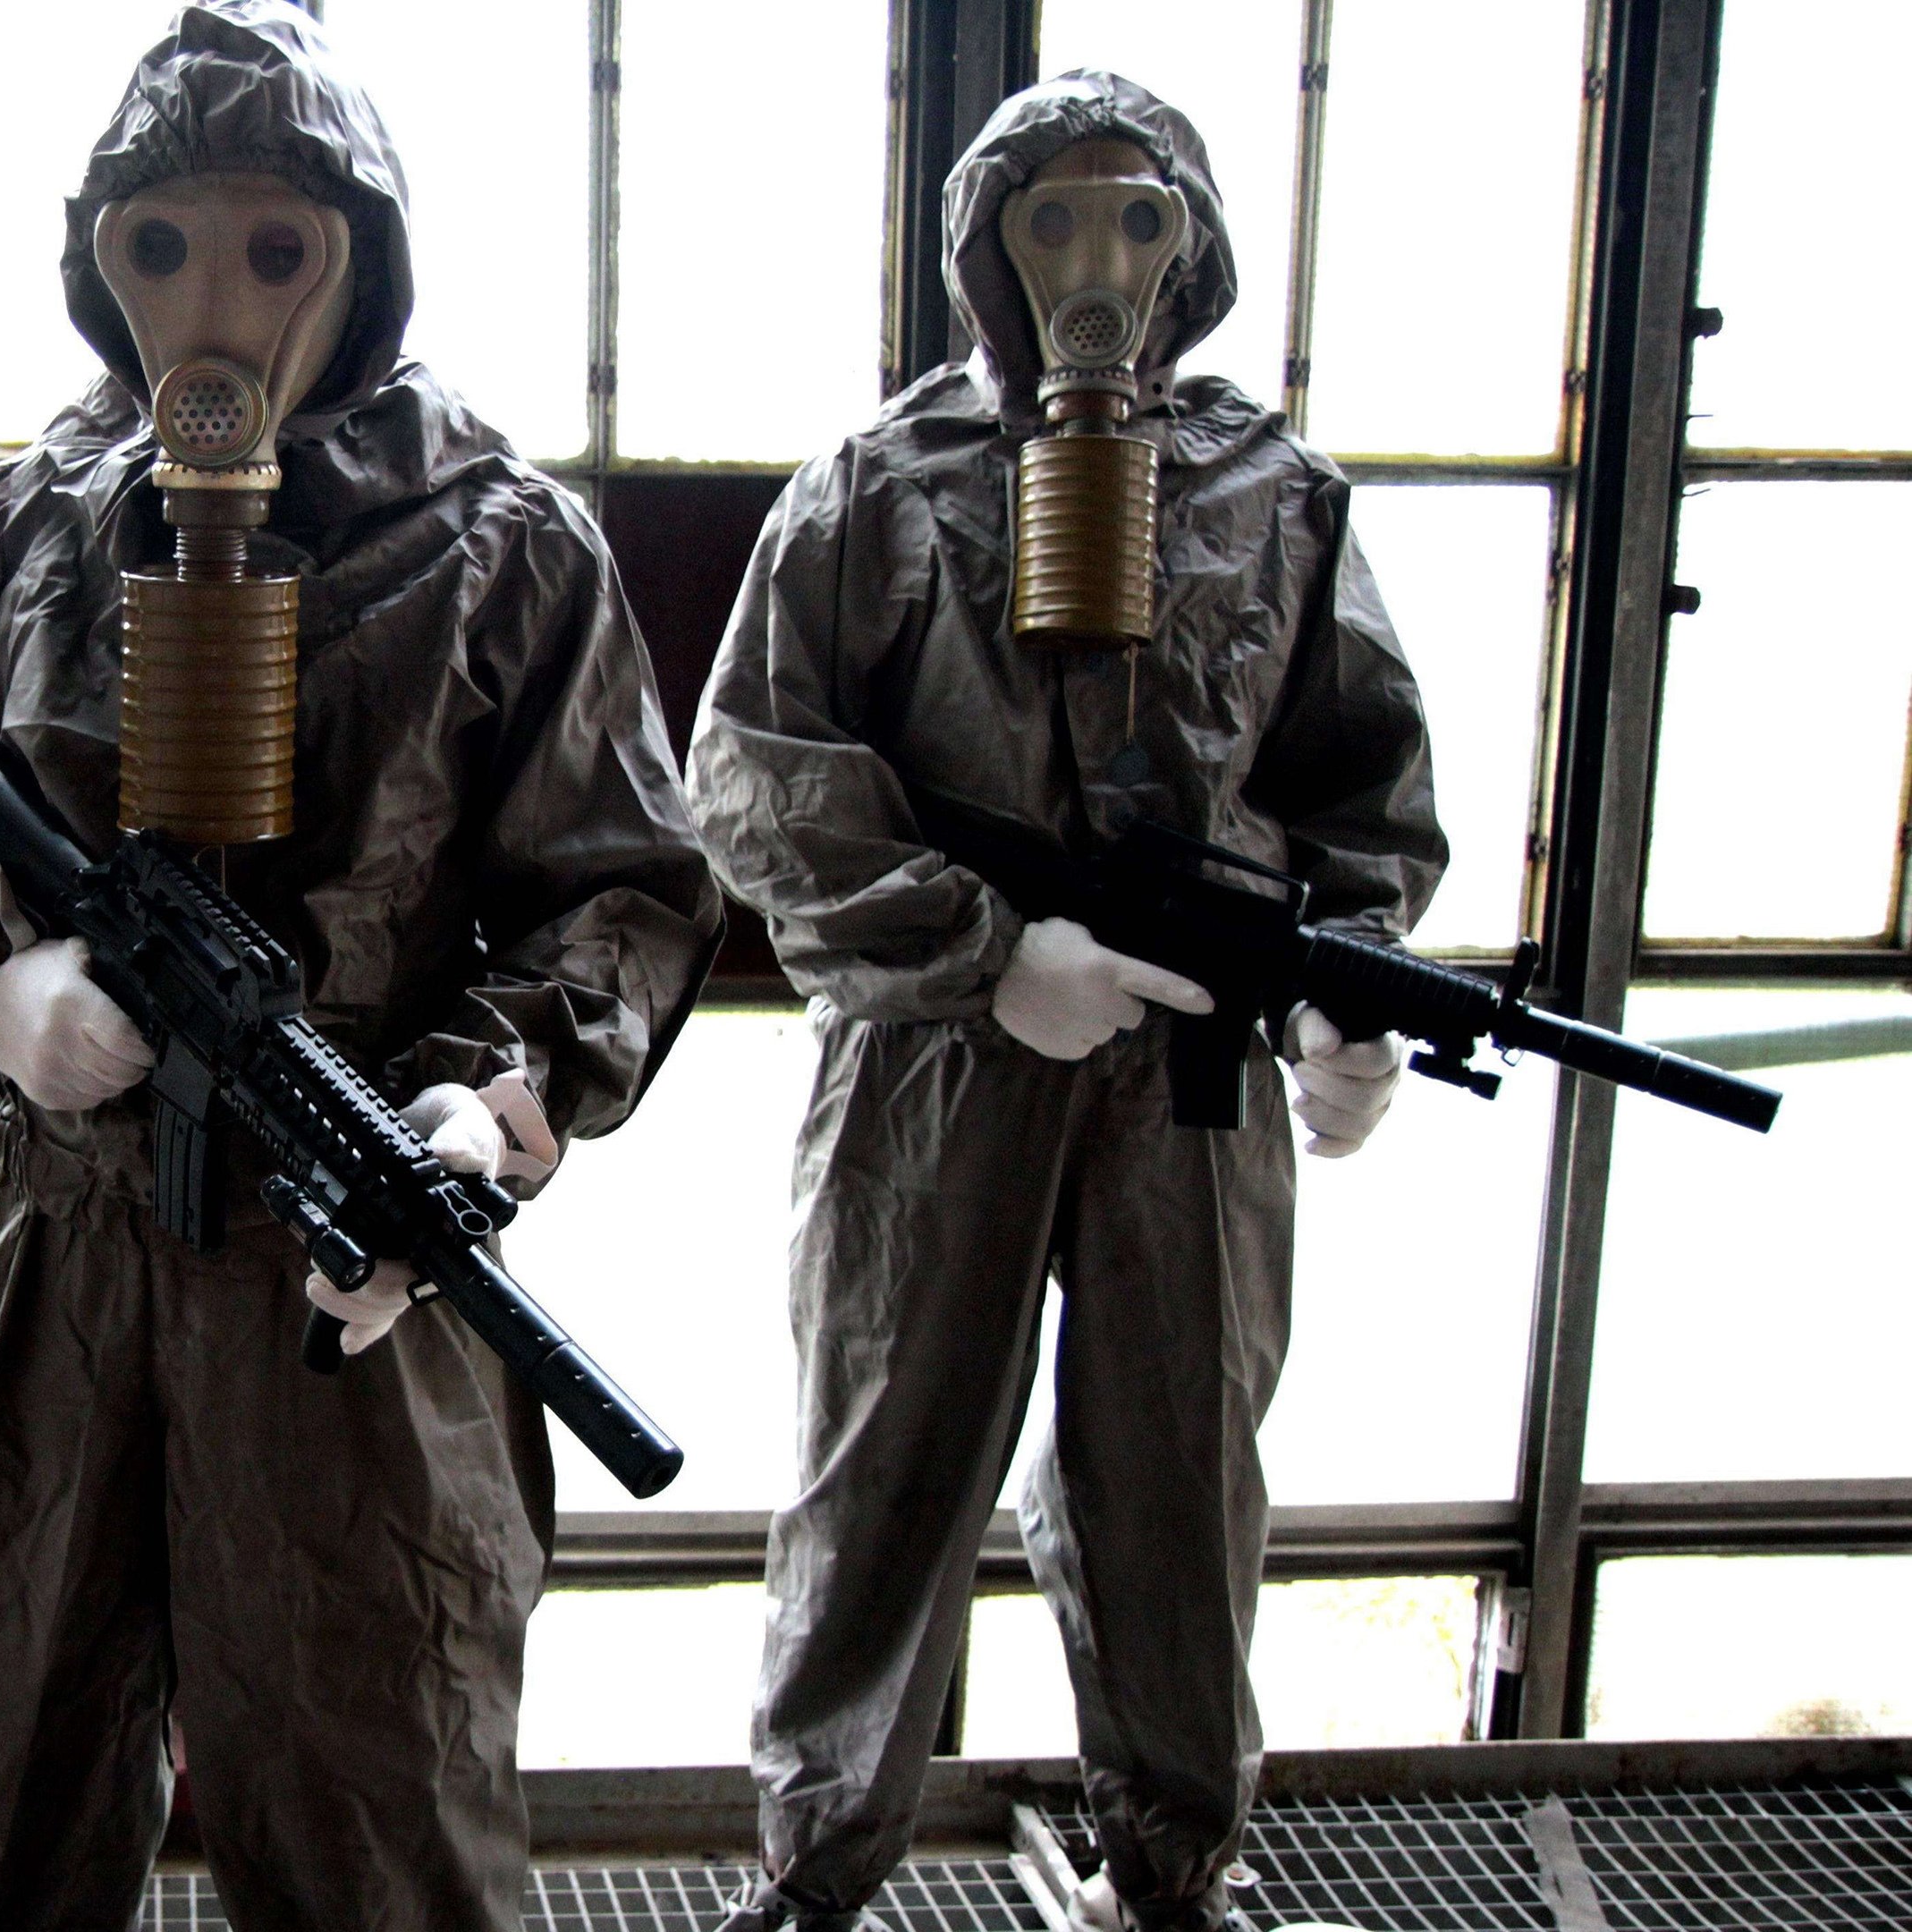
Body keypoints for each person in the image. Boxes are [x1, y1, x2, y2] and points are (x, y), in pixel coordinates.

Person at [0, 5, 721, 1925]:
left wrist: (486, 1099)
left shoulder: (501, 548)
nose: (215, 308)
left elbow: (619, 890)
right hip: (63, 1259)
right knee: (10, 1790)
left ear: (363, 262)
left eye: (274, 250)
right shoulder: (10, 537)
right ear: (96, 266)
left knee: (379, 1817)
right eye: (163, 248)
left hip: (353, 1272)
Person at [685, 72, 1443, 1932]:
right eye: (1051, 220)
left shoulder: (1274, 495)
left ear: (1192, 246)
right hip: (930, 1067)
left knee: (1176, 1483)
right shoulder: (875, 486)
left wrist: (1341, 993)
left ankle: (1173, 1874)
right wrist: (979, 951)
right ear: (984, 249)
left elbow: (1355, 773)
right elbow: (755, 772)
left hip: (1189, 1073)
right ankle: (813, 1876)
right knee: (882, 1463)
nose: (1093, 265)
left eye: (1133, 218)